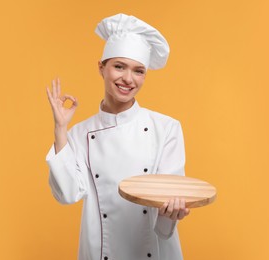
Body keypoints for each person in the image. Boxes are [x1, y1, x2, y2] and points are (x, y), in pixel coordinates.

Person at [46, 13, 190, 260]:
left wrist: (171, 213)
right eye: (119, 66)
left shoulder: (166, 128)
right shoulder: (79, 134)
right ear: (101, 68)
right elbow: (67, 194)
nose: (128, 79)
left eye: (138, 71)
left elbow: (169, 201)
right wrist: (60, 128)